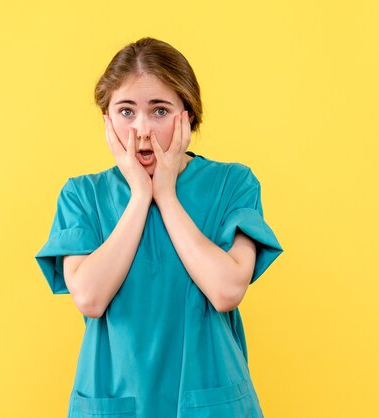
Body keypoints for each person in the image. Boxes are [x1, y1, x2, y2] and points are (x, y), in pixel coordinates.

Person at [35, 37, 284, 418]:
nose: (142, 129)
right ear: (107, 120)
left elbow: (226, 290)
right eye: (126, 111)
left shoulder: (232, 183)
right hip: (113, 398)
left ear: (188, 115)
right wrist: (139, 196)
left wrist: (166, 195)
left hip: (209, 403)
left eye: (160, 111)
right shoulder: (82, 195)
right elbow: (89, 297)